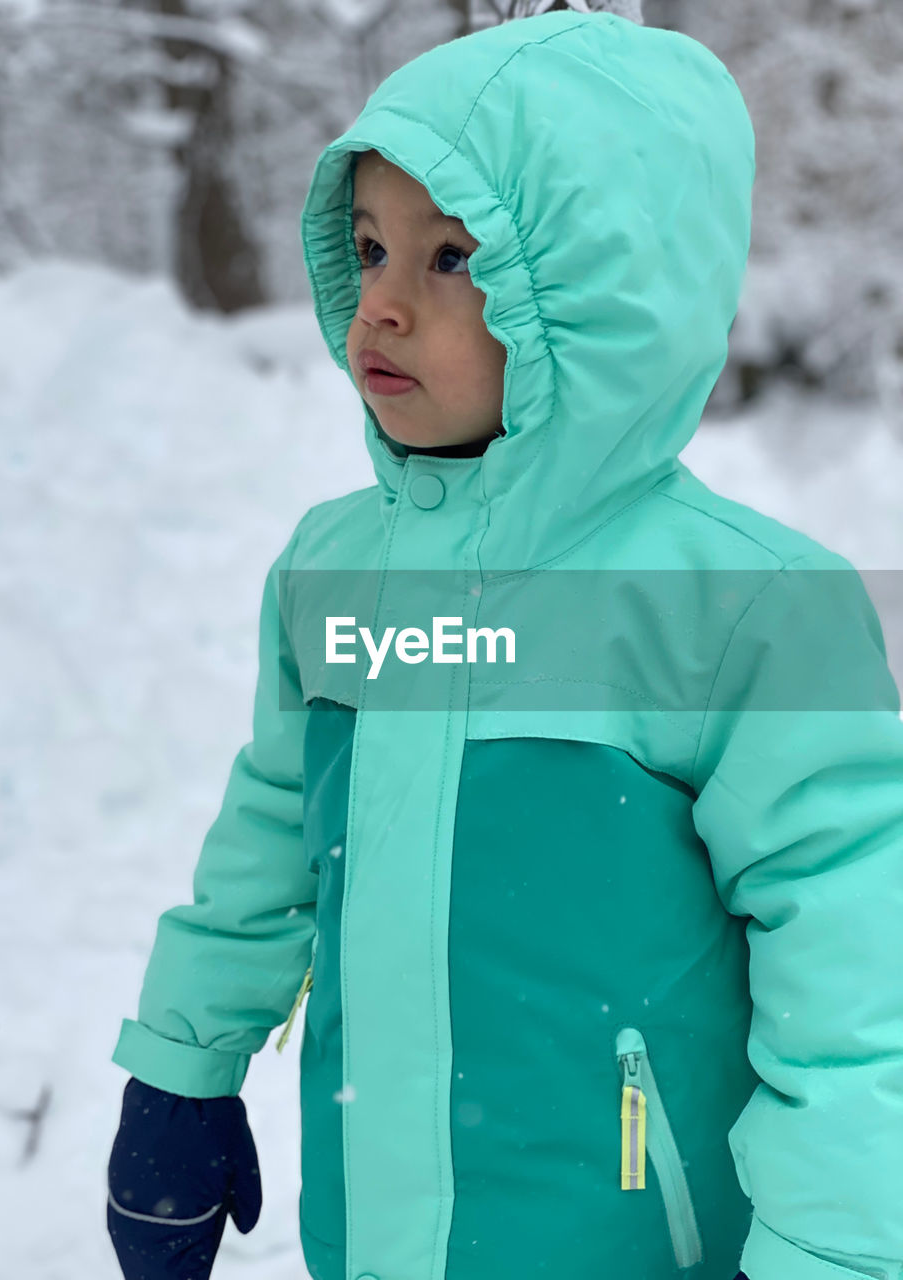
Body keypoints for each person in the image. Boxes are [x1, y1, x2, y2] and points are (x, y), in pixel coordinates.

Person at [106, 11, 903, 1280]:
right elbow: (268, 831)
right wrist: (181, 1069)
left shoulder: (746, 606)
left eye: (454, 258)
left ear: (605, 290)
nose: (384, 305)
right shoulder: (334, 571)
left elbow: (860, 989)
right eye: (369, 250)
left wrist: (834, 1250)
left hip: (636, 1239)